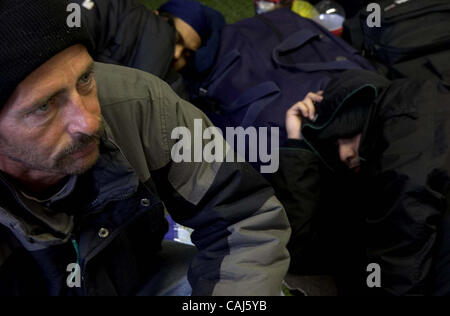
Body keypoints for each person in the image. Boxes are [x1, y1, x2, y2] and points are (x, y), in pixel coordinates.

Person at [0, 0, 290, 296]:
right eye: (44, 106)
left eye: (85, 78)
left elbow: (244, 217)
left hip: (136, 281)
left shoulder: (144, 107)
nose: (88, 122)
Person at [272, 69, 450, 295]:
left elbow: (399, 265)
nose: (344, 154)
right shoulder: (368, 176)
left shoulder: (404, 145)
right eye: (335, 146)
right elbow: (302, 248)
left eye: (346, 136)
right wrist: (297, 142)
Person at [77, 0, 225, 98]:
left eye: (186, 54)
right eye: (176, 39)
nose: (177, 54)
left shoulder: (174, 89)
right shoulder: (120, 18)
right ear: (156, 16)